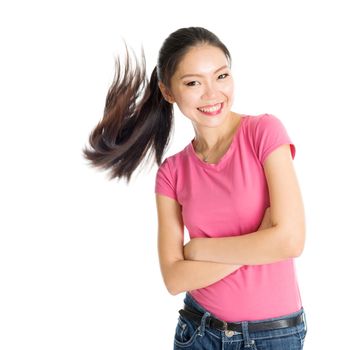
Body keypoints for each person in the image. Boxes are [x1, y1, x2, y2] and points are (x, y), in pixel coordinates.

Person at [83, 27, 307, 349]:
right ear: (168, 91)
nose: (212, 94)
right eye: (193, 83)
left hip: (273, 335)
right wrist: (260, 241)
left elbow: (290, 240)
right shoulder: (172, 172)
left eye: (221, 76)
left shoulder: (264, 133)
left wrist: (200, 250)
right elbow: (174, 278)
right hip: (198, 331)